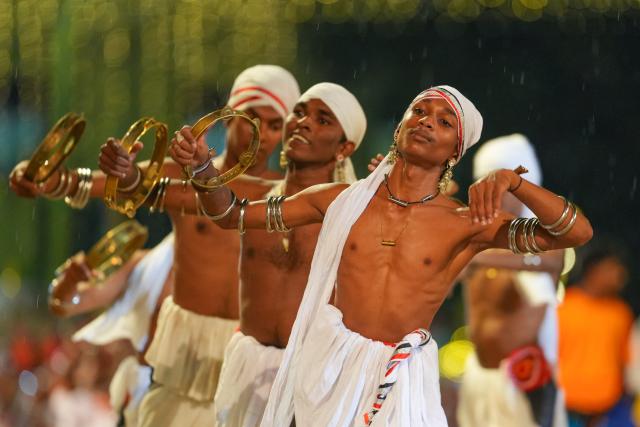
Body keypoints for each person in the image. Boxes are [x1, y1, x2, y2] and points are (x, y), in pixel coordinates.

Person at [170, 85, 593, 426]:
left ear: (454, 152)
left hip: (399, 381)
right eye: (420, 112)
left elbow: (575, 232)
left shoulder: (467, 223)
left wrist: (514, 184)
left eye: (444, 122)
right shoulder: (337, 200)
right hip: (327, 369)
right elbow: (231, 214)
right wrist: (204, 171)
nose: (427, 122)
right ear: (400, 127)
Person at [97, 64, 300, 426]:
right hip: (184, 350)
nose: (264, 135)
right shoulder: (182, 174)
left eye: (275, 126)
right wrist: (122, 170)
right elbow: (132, 185)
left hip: (252, 351)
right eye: (253, 120)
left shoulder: (293, 197)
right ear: (228, 117)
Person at [197, 82, 365, 427]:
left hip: (311, 379)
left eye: (323, 120)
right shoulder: (251, 196)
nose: (303, 122)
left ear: (344, 147)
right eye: (300, 112)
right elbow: (212, 207)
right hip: (248, 370)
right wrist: (199, 164)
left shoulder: (355, 211)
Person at [457, 134, 568, 427]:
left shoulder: (546, 244)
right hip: (480, 381)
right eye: (482, 184)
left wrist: (475, 255)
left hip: (523, 384)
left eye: (498, 185)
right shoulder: (470, 239)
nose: (489, 194)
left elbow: (555, 258)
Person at [49, 232, 174, 426]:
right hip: (147, 406)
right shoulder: (151, 265)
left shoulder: (234, 262)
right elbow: (67, 303)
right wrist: (69, 284)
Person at [558, 244, 634, 427]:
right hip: (567, 410)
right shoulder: (564, 307)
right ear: (593, 270)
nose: (620, 275)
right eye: (612, 267)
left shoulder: (621, 313)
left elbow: (624, 362)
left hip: (607, 412)